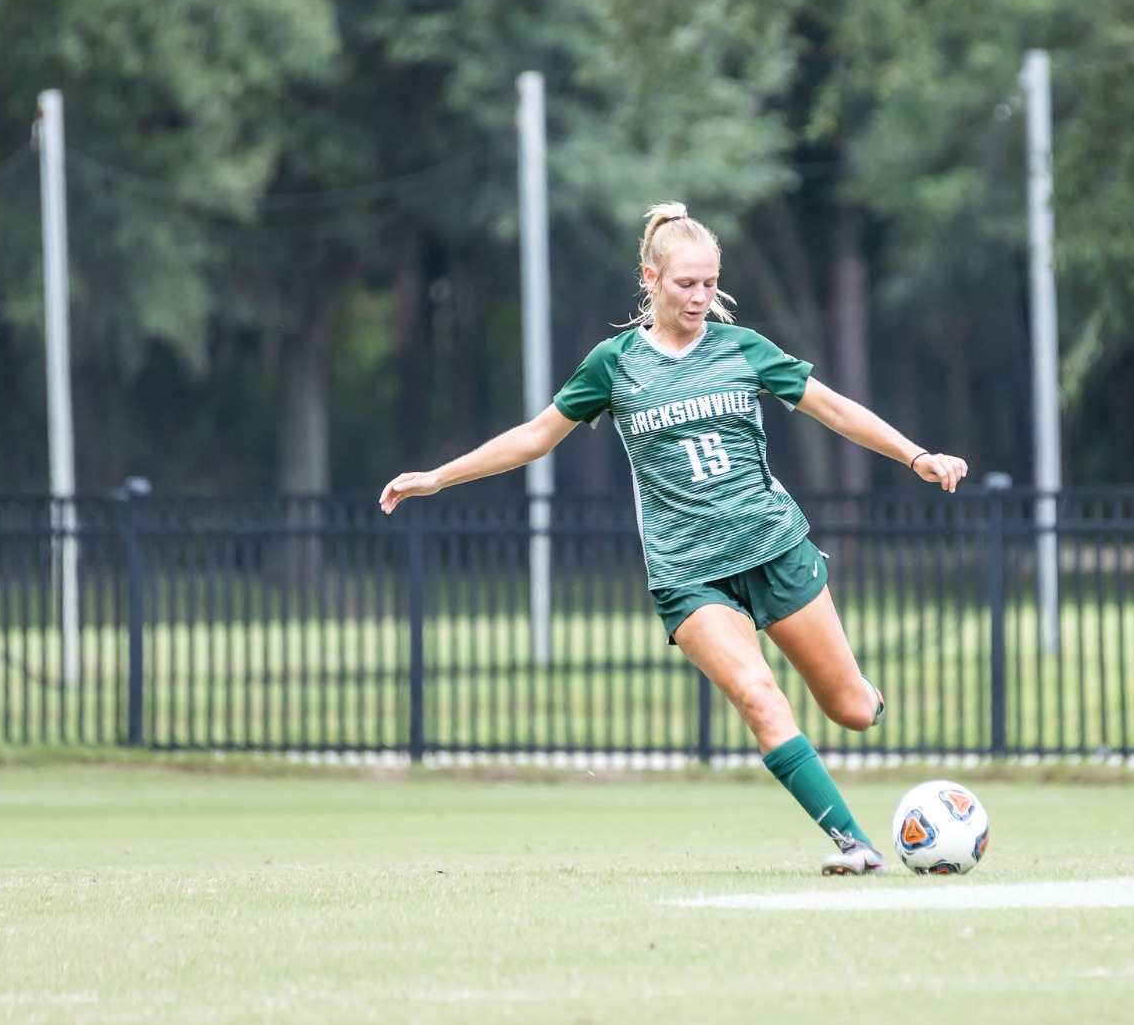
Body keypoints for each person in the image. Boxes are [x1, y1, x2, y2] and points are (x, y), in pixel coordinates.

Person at [380, 202, 968, 874]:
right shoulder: (615, 364)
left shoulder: (743, 348)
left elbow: (833, 408)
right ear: (651, 278)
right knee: (758, 695)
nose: (700, 297)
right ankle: (855, 844)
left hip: (774, 548)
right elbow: (534, 436)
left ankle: (867, 691)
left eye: (710, 283)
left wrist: (917, 456)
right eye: (686, 283)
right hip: (689, 574)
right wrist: (437, 477)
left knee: (853, 712)